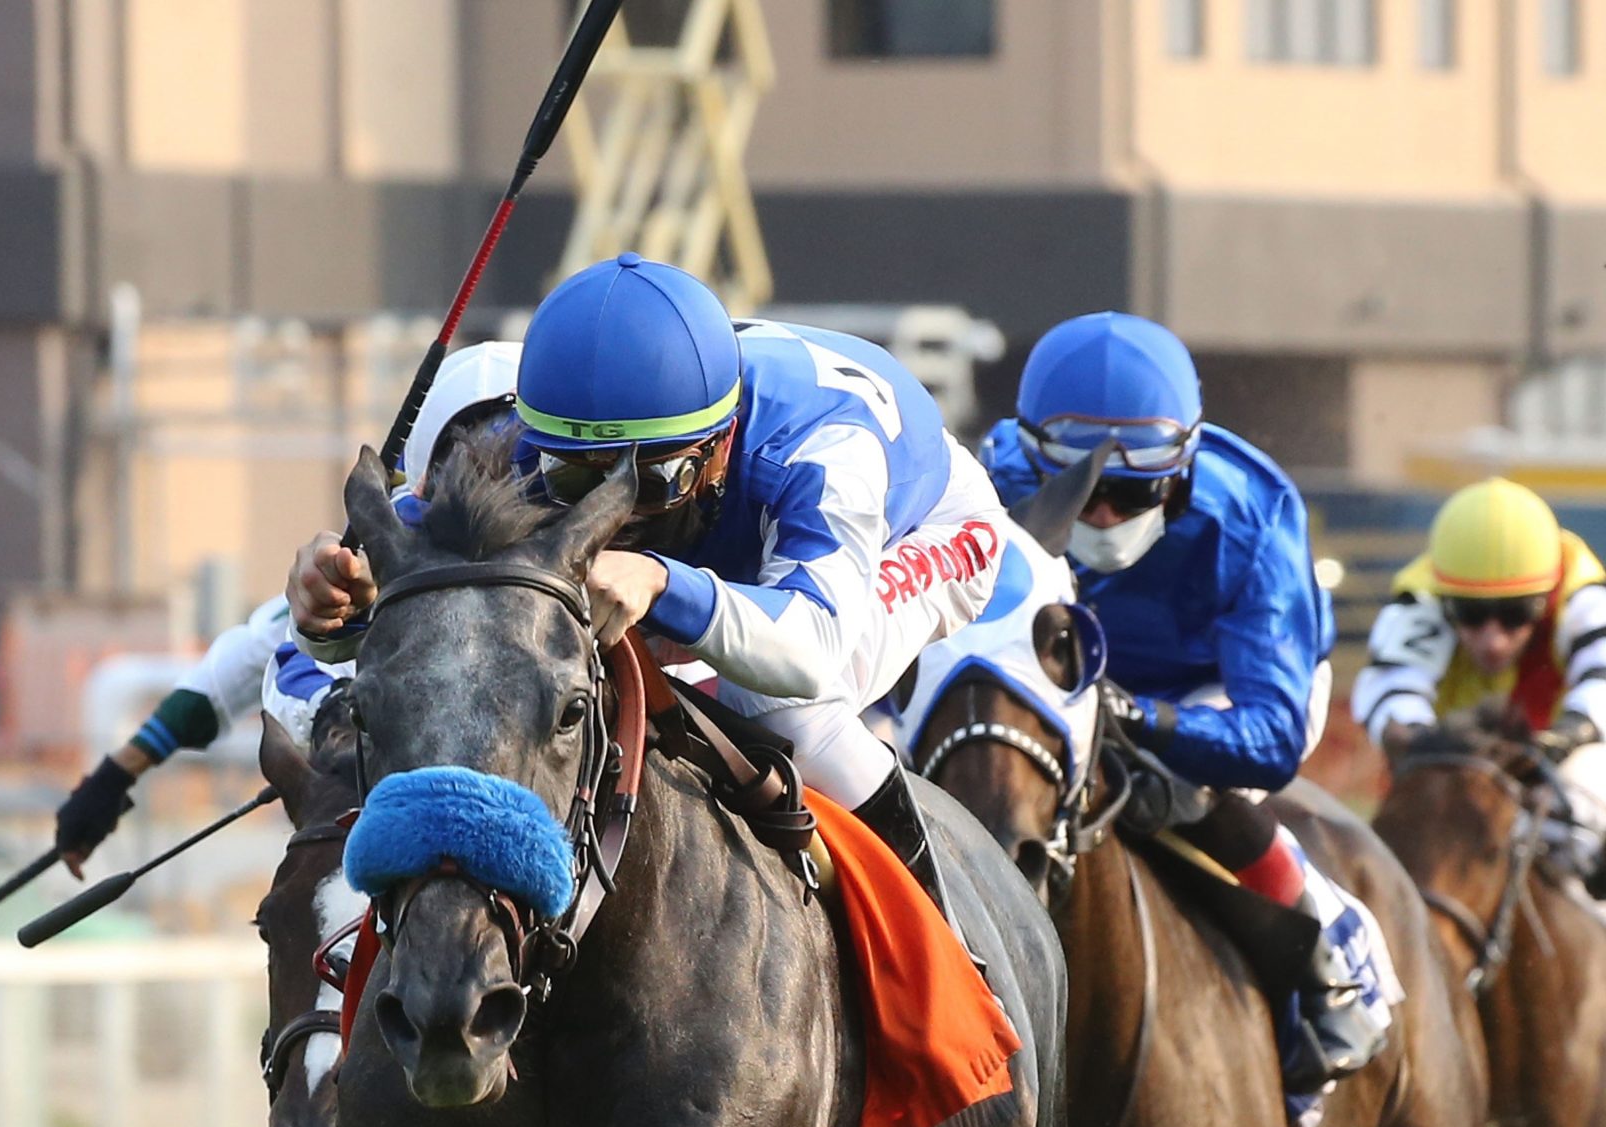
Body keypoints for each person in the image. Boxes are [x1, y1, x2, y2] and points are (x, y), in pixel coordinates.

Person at [287, 253, 1017, 890]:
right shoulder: (531, 449)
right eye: (581, 480)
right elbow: (415, 584)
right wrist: (335, 607)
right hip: (721, 544)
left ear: (723, 442)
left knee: (772, 703)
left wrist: (663, 580)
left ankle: (946, 950)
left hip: (924, 534)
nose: (618, 506)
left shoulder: (822, 453)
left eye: (653, 478)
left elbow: (809, 649)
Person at [980, 311, 1390, 1094]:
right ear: (1035, 462)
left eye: (1134, 492)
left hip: (1219, 684)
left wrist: (1140, 719)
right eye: (1082, 490)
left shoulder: (1251, 515)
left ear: (1184, 469)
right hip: (1065, 658)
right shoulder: (989, 483)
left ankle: (1329, 952)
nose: (1103, 516)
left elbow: (1268, 735)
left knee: (1185, 785)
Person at [53, 342, 522, 876]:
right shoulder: (382, 553)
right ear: (420, 485)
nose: (494, 487)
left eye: (516, 458)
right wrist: (114, 777)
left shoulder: (608, 558)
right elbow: (267, 652)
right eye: (470, 460)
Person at [1352, 477, 1606, 878]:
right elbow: (1389, 692)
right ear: (1446, 596)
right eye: (1470, 613)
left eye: (1515, 613)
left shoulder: (1583, 598)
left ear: (1548, 592)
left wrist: (1567, 735)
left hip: (1557, 767)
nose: (1493, 641)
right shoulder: (1422, 598)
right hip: (1456, 768)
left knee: (1590, 774)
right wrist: (1423, 742)